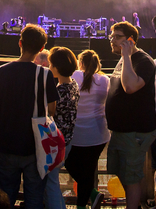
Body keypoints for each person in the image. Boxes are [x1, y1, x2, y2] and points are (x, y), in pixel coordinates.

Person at [0, 24, 57, 209]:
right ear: (42, 48)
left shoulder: (2, 71)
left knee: (5, 196)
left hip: (7, 142)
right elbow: (52, 110)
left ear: (19, 43)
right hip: (35, 145)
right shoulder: (45, 74)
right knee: (35, 197)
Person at [106, 21, 156, 209]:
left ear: (130, 40)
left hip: (135, 131)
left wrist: (126, 57)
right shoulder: (125, 58)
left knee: (131, 175)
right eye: (111, 36)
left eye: (117, 37)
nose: (111, 40)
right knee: (121, 172)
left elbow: (130, 87)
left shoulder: (143, 61)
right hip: (122, 130)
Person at [67, 49, 110, 209]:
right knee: (89, 171)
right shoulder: (104, 80)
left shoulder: (74, 75)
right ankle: (89, 197)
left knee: (70, 163)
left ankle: (90, 197)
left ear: (81, 63)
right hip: (98, 134)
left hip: (76, 133)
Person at [44, 47, 80, 209]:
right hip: (67, 140)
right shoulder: (74, 85)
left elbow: (49, 113)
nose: (49, 67)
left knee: (50, 183)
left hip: (55, 141)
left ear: (57, 68)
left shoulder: (58, 91)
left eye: (51, 65)